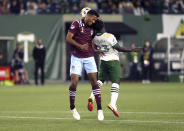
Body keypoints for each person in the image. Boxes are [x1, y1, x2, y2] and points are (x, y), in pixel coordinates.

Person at [87, 19, 142, 117]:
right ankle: (112, 103)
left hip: (103, 62)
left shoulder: (95, 38)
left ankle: (92, 96)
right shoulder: (110, 36)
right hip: (113, 61)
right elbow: (119, 48)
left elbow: (93, 46)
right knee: (116, 82)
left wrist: (96, 50)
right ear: (103, 26)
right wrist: (132, 49)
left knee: (100, 81)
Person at [66, 9, 104, 121]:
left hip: (89, 57)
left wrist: (96, 50)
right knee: (74, 82)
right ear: (88, 16)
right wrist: (80, 46)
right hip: (76, 57)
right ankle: (72, 107)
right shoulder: (76, 23)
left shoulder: (93, 27)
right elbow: (68, 38)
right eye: (93, 19)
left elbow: (91, 41)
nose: (94, 22)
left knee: (94, 81)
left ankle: (100, 109)